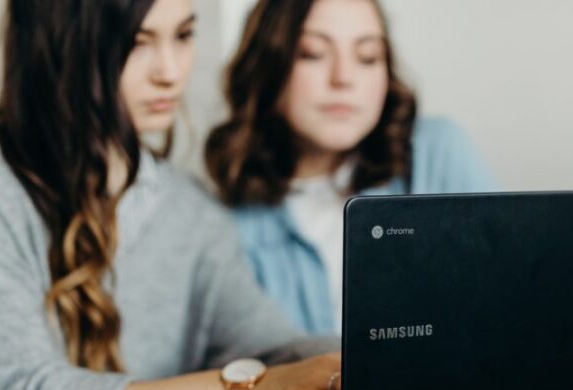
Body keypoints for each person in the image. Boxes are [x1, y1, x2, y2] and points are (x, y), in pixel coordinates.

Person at [0, 1, 341, 390]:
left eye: (183, 36)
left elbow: (268, 344)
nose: (171, 70)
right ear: (60, 44)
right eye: (138, 41)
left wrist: (361, 362)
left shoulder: (190, 209)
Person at [205, 0, 495, 336]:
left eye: (368, 57)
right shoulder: (222, 221)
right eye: (312, 53)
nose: (343, 78)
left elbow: (505, 304)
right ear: (266, 66)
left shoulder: (437, 152)